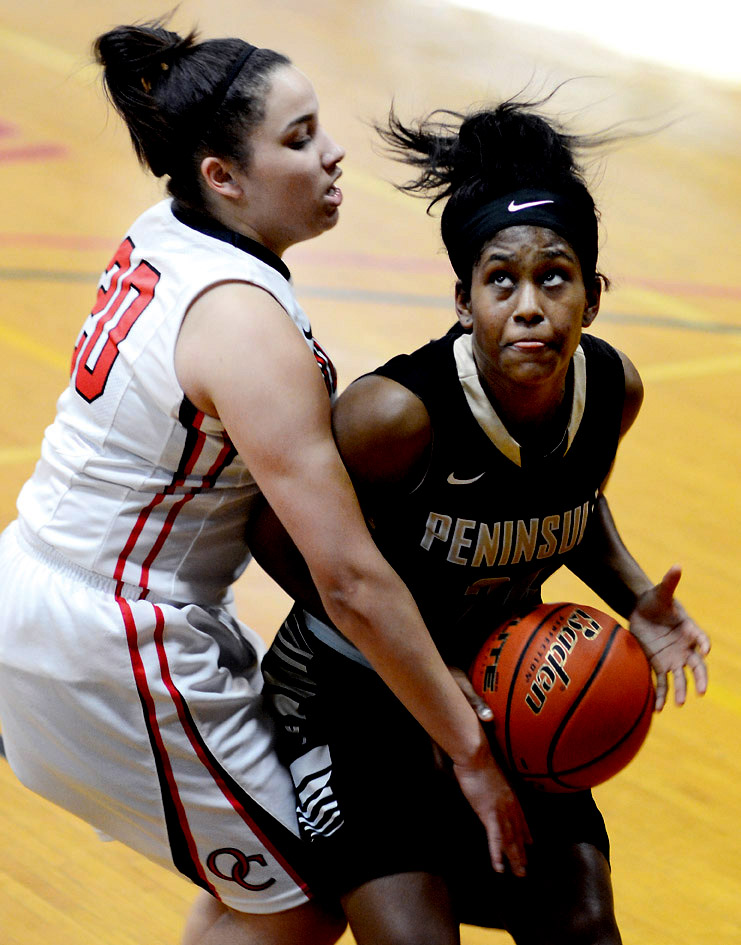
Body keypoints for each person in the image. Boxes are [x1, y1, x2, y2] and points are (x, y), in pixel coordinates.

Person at [0, 19, 529, 945]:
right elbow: (347, 578)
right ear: (222, 176)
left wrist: (413, 668)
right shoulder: (243, 324)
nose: (332, 156)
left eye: (319, 126)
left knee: (268, 879)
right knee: (318, 886)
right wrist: (467, 746)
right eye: (297, 140)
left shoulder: (169, 229)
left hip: (51, 595)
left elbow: (268, 529)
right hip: (114, 645)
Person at [255, 96, 712, 944]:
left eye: (555, 276)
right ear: (463, 302)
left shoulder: (612, 392)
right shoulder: (395, 417)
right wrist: (420, 667)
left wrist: (635, 597)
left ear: (594, 295)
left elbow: (566, 509)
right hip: (350, 697)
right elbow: (276, 532)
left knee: (582, 927)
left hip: (499, 688)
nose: (529, 304)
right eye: (501, 280)